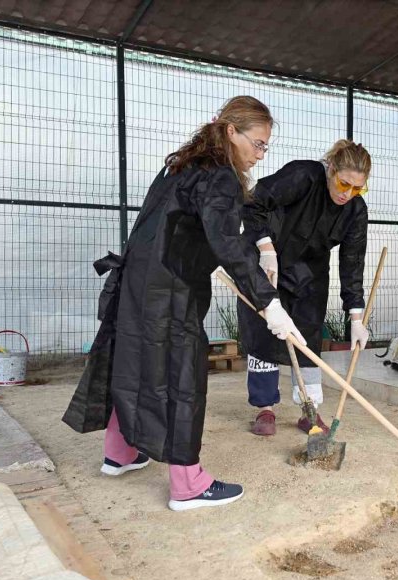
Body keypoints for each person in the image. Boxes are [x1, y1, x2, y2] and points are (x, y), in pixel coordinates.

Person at [62, 96, 305, 511]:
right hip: (171, 292)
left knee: (133, 364)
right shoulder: (221, 178)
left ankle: (119, 453)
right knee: (181, 379)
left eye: (266, 146)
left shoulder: (181, 166)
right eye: (259, 143)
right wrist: (271, 305)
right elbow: (227, 241)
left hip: (137, 282)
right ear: (231, 132)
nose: (261, 154)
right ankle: (188, 485)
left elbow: (176, 228)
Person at [238, 140, 372, 436]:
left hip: (310, 272)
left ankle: (309, 409)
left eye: (356, 189)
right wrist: (264, 246)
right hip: (268, 258)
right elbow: (253, 201)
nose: (346, 193)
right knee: (265, 331)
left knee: (309, 337)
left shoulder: (355, 211)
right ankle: (265, 408)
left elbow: (352, 262)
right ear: (331, 169)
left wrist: (356, 318)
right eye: (343, 183)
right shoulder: (304, 177)